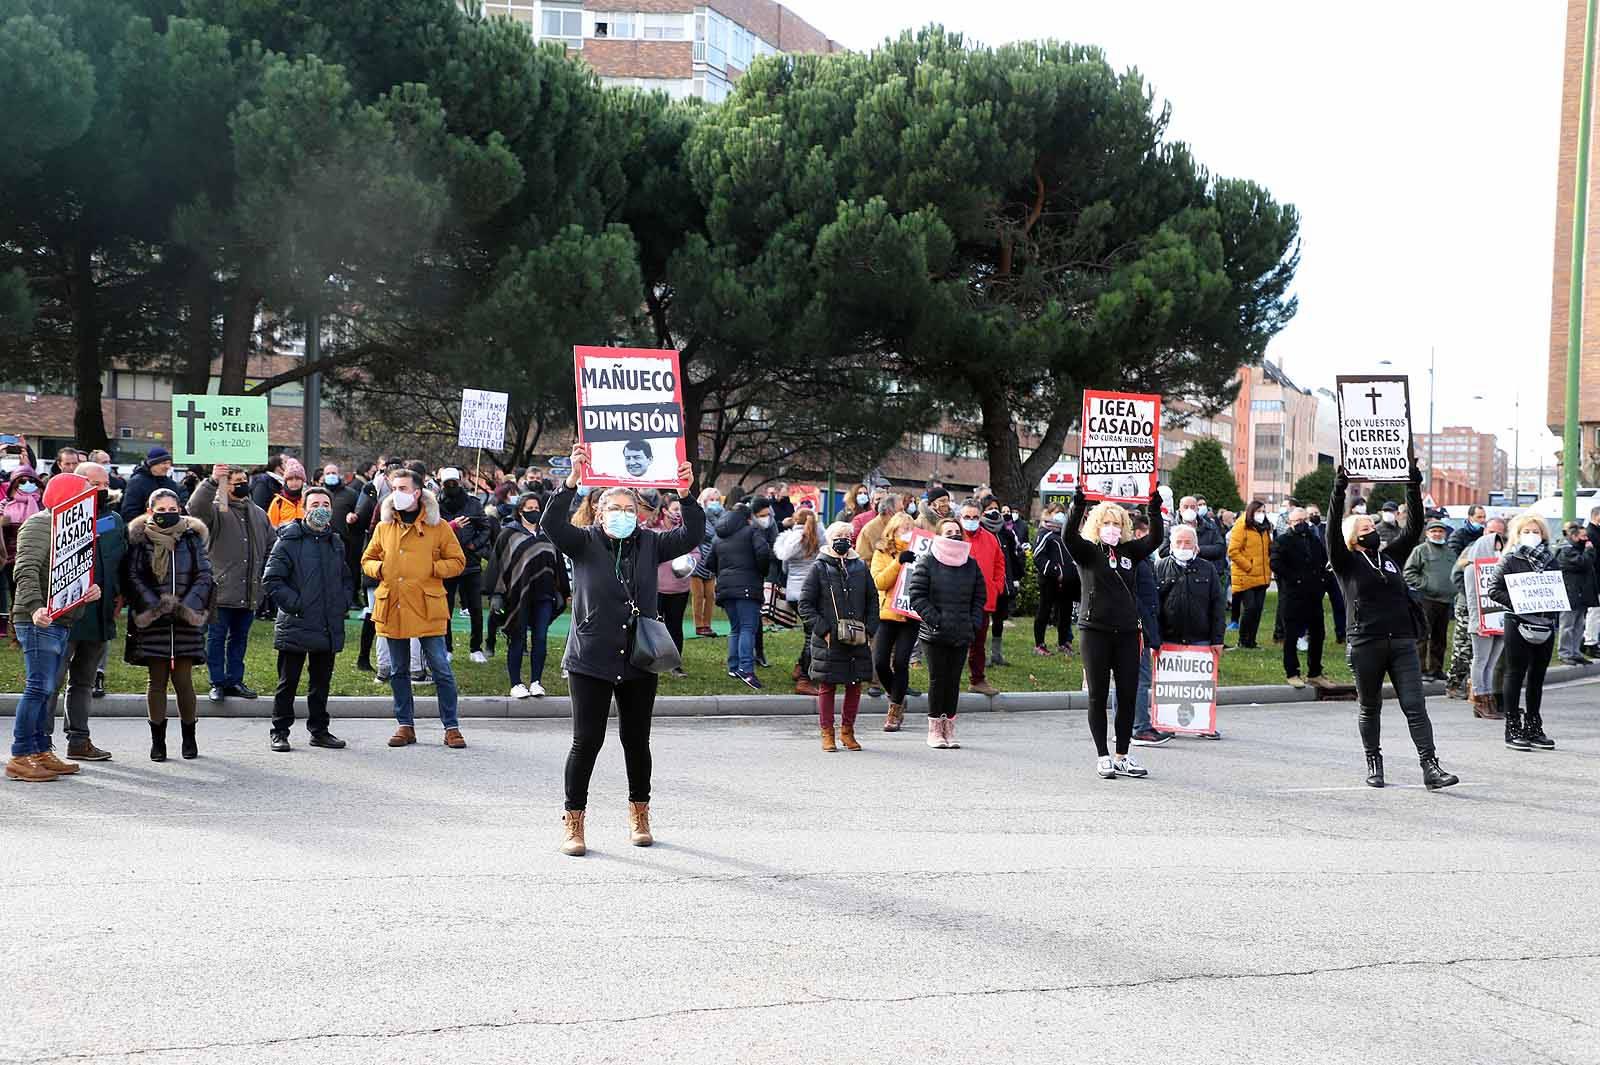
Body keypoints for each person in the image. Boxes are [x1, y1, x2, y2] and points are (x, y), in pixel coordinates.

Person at [541, 442, 702, 856]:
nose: (623, 516)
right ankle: (574, 823)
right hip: (591, 657)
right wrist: (571, 483)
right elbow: (551, 525)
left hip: (639, 656)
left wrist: (686, 493)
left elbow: (692, 534)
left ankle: (639, 814)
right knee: (586, 741)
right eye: (614, 508)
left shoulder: (650, 544)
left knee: (637, 740)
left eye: (629, 509)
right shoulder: (584, 542)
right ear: (599, 512)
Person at [1329, 464, 1457, 789]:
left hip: (1401, 641)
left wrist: (1413, 485)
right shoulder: (1346, 562)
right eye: (1366, 525)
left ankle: (1431, 767)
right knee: (1369, 706)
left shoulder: (1389, 558)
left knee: (1415, 705)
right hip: (1366, 643)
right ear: (1354, 536)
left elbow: (1413, 527)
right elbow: (1331, 530)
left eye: (1373, 523)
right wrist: (1339, 488)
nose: (1372, 527)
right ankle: (1374, 762)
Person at [360, 468, 469, 749]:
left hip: (426, 604)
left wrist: (432, 568)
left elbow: (457, 561)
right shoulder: (384, 527)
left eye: (404, 488)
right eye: (395, 487)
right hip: (393, 604)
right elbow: (367, 560)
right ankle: (405, 725)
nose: (398, 493)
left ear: (418, 493)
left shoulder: (439, 526)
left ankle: (451, 727)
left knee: (441, 669)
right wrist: (381, 568)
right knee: (398, 670)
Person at [6, 474, 105, 780]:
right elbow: (25, 570)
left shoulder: (73, 527)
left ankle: (39, 750)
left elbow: (67, 574)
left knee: (46, 687)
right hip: (38, 619)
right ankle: (20, 755)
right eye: (86, 492)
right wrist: (35, 607)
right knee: (39, 687)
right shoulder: (39, 523)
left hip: (61, 619)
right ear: (68, 494)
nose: (92, 498)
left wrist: (87, 592)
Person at [1063, 484, 1163, 779]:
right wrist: (1077, 506)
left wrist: (1153, 508)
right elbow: (1068, 536)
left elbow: (1156, 538)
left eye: (1117, 524)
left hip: (1128, 632)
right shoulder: (1088, 552)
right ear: (1097, 524)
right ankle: (1103, 755)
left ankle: (1122, 754)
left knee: (1129, 694)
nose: (1111, 528)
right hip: (1095, 630)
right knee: (1098, 695)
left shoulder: (1131, 551)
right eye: (1106, 523)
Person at [122, 489, 215, 762]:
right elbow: (133, 575)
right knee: (157, 681)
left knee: (184, 680)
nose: (167, 513)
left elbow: (204, 574)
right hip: (154, 621)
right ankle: (158, 741)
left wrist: (185, 606)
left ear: (180, 508)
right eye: (160, 510)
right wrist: (157, 606)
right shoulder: (140, 540)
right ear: (150, 511)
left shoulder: (191, 537)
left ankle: (189, 737)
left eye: (171, 508)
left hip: (186, 619)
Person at [43, 463, 125, 761]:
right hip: (65, 615)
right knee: (51, 680)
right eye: (94, 483)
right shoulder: (57, 521)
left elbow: (121, 563)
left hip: (100, 615)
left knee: (84, 681)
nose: (101, 489)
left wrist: (119, 597)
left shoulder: (114, 521)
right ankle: (42, 744)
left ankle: (78, 739)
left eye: (105, 484)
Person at [261, 484, 349, 752]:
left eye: (325, 505)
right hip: (297, 622)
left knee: (321, 683)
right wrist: (296, 605)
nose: (320, 510)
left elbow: (345, 578)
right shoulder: (288, 540)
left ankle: (319, 730)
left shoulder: (335, 542)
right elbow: (272, 580)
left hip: (327, 623)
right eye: (315, 505)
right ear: (304, 508)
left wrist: (342, 603)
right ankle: (280, 731)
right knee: (288, 683)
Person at [189, 465, 275, 704]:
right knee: (216, 638)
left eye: (244, 479)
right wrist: (212, 481)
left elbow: (271, 547)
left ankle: (235, 679)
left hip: (249, 590)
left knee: (239, 638)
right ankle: (217, 682)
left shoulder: (259, 514)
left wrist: (264, 578)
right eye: (236, 481)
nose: (242, 484)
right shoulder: (216, 511)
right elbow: (195, 508)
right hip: (221, 591)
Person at [799, 521, 879, 752]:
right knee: (828, 685)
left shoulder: (860, 567)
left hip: (857, 637)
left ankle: (847, 731)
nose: (843, 539)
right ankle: (827, 732)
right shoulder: (819, 567)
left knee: (854, 685)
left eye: (847, 535)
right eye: (838, 535)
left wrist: (870, 628)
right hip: (829, 638)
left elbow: (873, 600)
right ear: (829, 539)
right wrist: (823, 630)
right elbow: (805, 604)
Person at [907, 516, 986, 750]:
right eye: (948, 531)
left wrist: (973, 622)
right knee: (938, 679)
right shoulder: (927, 561)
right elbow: (917, 595)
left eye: (956, 531)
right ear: (938, 535)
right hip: (935, 633)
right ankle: (934, 729)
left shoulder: (970, 564)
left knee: (953, 681)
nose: (953, 534)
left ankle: (949, 728)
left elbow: (979, 596)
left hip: (962, 631)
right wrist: (937, 620)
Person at [1486, 515, 1561, 752]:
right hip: (1518, 622)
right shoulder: (1510, 560)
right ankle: (1513, 727)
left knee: (1537, 677)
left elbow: (1559, 588)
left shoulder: (1551, 560)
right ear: (1518, 534)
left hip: (1545, 623)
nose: (1532, 534)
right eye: (1527, 531)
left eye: (1536, 531)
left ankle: (1533, 726)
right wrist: (1519, 603)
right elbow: (1494, 590)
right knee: (1515, 674)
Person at [488, 493, 569, 698]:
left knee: (540, 638)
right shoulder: (509, 534)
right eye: (530, 508)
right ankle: (516, 683)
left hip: (544, 596)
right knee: (518, 637)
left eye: (537, 508)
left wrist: (560, 591)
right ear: (520, 510)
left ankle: (536, 681)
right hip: (517, 597)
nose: (534, 511)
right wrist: (497, 593)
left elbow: (557, 564)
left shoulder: (548, 534)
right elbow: (498, 565)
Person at [712, 495, 773, 688]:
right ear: (747, 518)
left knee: (736, 628)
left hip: (725, 588)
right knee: (748, 628)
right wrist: (761, 572)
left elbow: (709, 563)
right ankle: (747, 670)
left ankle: (733, 666)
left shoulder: (718, 536)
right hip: (748, 586)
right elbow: (763, 554)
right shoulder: (752, 532)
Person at [870, 512, 920, 731]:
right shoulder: (881, 552)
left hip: (910, 616)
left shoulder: (920, 551)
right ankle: (897, 696)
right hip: (887, 615)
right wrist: (899, 563)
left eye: (911, 528)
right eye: (903, 529)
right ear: (892, 531)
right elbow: (879, 582)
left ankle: (894, 710)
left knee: (901, 662)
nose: (907, 533)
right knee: (880, 661)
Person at [1269, 506, 1330, 688]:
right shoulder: (1283, 541)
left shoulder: (1314, 540)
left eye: (1304, 520)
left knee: (1318, 634)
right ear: (1290, 523)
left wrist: (1322, 581)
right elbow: (1276, 564)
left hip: (1314, 595)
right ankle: (1292, 672)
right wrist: (1294, 579)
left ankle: (1315, 672)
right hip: (1293, 595)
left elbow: (1323, 561)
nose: (1302, 524)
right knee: (1292, 636)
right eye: (1297, 521)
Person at [436, 467, 491, 663]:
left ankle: (476, 647)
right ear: (441, 484)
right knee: (445, 607)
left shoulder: (473, 504)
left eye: (454, 482)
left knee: (475, 607)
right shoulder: (435, 504)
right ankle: (447, 647)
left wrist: (474, 545)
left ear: (460, 481)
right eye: (447, 483)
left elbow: (485, 527)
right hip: (446, 563)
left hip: (471, 562)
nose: (451, 486)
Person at [1458, 517, 1508, 719]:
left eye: (1499, 547)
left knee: (1492, 662)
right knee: (1481, 661)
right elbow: (1473, 598)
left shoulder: (1501, 567)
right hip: (1482, 622)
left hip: (1500, 620)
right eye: (1494, 547)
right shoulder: (1472, 569)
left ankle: (1489, 699)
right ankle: (1480, 698)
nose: (1497, 550)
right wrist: (1478, 621)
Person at [955, 498, 1005, 697]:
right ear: (960, 517)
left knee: (978, 642)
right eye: (967, 517)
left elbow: (999, 563)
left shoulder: (990, 538)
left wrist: (997, 586)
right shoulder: (954, 536)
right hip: (957, 600)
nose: (971, 520)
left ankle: (977, 679)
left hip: (983, 600)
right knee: (956, 642)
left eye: (975, 517)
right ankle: (951, 679)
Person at [774, 508, 823, 695]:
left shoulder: (789, 540)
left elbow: (785, 567)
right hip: (812, 592)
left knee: (809, 633)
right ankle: (804, 678)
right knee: (813, 636)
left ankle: (800, 667)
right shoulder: (819, 536)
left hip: (794, 593)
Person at [1403, 519, 1457, 681]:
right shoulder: (1421, 550)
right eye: (1433, 531)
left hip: (1446, 600)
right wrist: (1425, 585)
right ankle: (1420, 670)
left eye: (1440, 531)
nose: (1437, 534)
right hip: (1426, 599)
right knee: (1423, 636)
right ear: (1427, 533)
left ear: (1445, 534)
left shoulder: (1450, 552)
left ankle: (1436, 669)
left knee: (1440, 638)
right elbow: (1409, 572)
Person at [649, 495, 694, 677]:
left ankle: (675, 664)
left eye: (680, 510)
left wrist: (688, 561)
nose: (678, 513)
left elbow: (696, 552)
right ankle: (652, 660)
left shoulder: (684, 531)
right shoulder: (652, 531)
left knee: (675, 626)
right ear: (665, 510)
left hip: (679, 588)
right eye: (675, 509)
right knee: (654, 626)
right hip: (656, 588)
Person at [1, 464, 45, 640]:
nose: (27, 485)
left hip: (39, 557)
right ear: (14, 485)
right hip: (11, 559)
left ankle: (36, 628)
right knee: (15, 597)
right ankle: (15, 635)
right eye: (22, 482)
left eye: (31, 481)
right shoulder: (5, 505)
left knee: (35, 593)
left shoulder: (43, 504)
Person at [1032, 504, 1078, 657]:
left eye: (1062, 512)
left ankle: (1063, 642)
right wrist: (1055, 571)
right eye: (1057, 512)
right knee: (1044, 611)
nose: (1060, 515)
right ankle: (1039, 644)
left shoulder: (1067, 532)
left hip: (1068, 581)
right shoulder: (1045, 532)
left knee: (1065, 612)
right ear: (1049, 514)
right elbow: (1038, 555)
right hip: (1049, 580)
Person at [1227, 501, 1273, 649]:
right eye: (1259, 511)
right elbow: (1233, 551)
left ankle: (1251, 641)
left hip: (1262, 575)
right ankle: (1243, 640)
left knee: (1258, 609)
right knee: (1250, 608)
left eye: (1263, 511)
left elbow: (1267, 549)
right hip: (1245, 575)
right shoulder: (1241, 526)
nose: (1261, 514)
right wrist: (1249, 566)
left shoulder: (1264, 528)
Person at [985, 500, 1025, 668]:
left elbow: (1015, 556)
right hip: (986, 584)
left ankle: (996, 654)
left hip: (1003, 583)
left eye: (996, 508)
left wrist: (1015, 577)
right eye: (989, 509)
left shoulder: (1005, 533)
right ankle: (981, 654)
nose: (994, 512)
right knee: (982, 622)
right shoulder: (980, 532)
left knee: (999, 619)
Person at [1553, 520, 1597, 666]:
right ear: (1575, 536)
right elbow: (1583, 563)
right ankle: (1565, 652)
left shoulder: (1577, 549)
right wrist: (1590, 550)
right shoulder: (1567, 550)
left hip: (1580, 593)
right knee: (1568, 625)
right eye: (1583, 536)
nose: (1587, 539)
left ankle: (1575, 652)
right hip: (1570, 593)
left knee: (1579, 624)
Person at [320, 463, 363, 608]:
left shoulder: (351, 494)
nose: (331, 475)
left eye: (334, 472)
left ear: (339, 474)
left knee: (349, 571)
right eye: (328, 473)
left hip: (347, 541)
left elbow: (360, 513)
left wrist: (354, 517)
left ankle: (351, 599)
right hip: (323, 540)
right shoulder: (319, 494)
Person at [689, 488, 722, 637]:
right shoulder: (698, 514)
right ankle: (699, 625)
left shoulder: (721, 517)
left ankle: (707, 625)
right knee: (698, 595)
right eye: (711, 499)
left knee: (710, 595)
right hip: (697, 559)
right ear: (704, 500)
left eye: (717, 500)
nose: (714, 503)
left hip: (712, 560)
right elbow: (703, 534)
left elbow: (721, 533)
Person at [120, 447, 183, 520]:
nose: (168, 467)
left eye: (169, 463)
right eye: (164, 463)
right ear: (152, 464)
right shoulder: (137, 482)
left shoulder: (171, 484)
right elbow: (129, 511)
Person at [265, 459, 307, 528]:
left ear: (303, 481)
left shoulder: (308, 499)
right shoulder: (278, 502)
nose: (294, 482)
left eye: (297, 479)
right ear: (286, 482)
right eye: (290, 479)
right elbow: (271, 528)